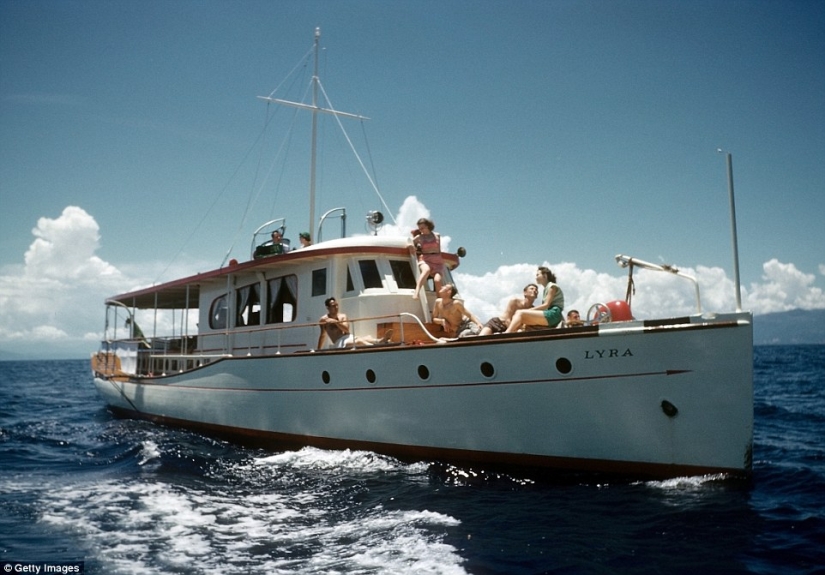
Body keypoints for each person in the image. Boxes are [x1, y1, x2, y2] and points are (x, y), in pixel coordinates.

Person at [504, 266, 565, 332]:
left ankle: (507, 334)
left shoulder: (552, 286)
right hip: (552, 315)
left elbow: (546, 305)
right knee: (524, 322)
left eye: (537, 275)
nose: (536, 277)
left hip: (553, 314)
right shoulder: (547, 288)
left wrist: (529, 310)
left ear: (544, 275)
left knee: (519, 313)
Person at [316, 298, 392, 349]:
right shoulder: (323, 320)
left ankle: (381, 341)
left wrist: (336, 322)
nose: (336, 307)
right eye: (333, 306)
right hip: (339, 342)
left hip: (348, 337)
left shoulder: (343, 316)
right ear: (328, 308)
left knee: (367, 338)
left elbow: (346, 329)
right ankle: (377, 348)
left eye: (337, 305)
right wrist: (318, 350)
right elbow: (322, 335)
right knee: (359, 341)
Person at [411, 218, 445, 299]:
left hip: (437, 260)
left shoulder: (437, 235)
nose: (421, 230)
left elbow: (438, 249)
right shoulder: (419, 237)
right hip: (425, 258)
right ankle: (417, 291)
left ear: (428, 226)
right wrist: (410, 246)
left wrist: (440, 260)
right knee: (426, 270)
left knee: (437, 280)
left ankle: (439, 299)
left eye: (422, 228)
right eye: (419, 229)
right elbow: (409, 241)